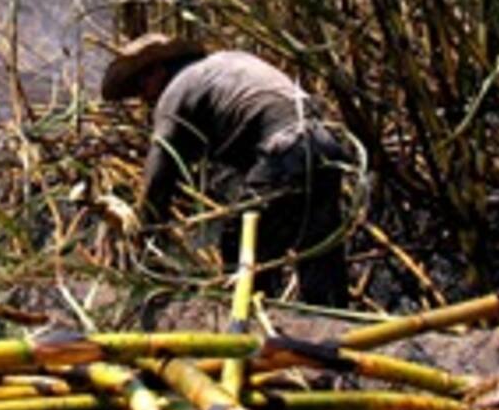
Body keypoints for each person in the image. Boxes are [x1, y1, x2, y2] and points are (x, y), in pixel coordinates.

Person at [102, 34, 350, 306]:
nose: (144, 98)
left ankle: (249, 327)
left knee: (240, 242)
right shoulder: (226, 64)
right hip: (324, 145)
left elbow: (158, 175)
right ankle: (331, 327)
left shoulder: (177, 89)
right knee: (317, 251)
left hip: (287, 149)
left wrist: (143, 239)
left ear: (157, 71)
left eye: (141, 86)